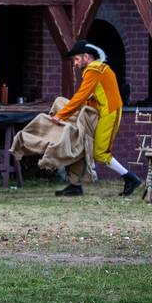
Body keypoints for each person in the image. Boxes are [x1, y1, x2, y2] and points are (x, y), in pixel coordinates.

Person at [52, 41, 142, 197]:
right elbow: (92, 96)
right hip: (104, 112)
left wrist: (60, 115)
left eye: (77, 59)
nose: (75, 63)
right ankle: (75, 185)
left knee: (100, 153)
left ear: (86, 57)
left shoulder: (93, 70)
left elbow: (81, 96)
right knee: (81, 143)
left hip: (109, 113)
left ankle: (130, 178)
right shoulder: (98, 69)